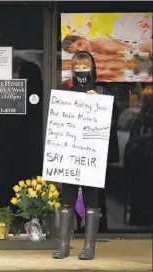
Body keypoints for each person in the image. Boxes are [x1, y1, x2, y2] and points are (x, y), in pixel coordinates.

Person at [53, 51, 119, 260]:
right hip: (70, 153)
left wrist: (98, 102)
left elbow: (112, 123)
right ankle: (63, 245)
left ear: (92, 68)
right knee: (67, 198)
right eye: (77, 68)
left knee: (92, 199)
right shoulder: (64, 90)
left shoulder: (102, 92)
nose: (81, 71)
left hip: (91, 155)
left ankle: (89, 247)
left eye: (85, 67)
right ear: (72, 70)